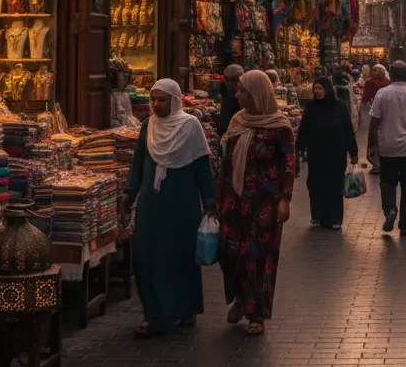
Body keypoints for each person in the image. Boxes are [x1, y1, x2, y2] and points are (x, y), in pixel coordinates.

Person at [120, 79, 215, 337]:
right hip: (151, 205)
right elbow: (138, 165)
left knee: (180, 256)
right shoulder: (148, 127)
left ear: (174, 100)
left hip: (181, 205)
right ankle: (154, 314)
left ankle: (184, 308)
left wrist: (209, 201)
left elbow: (202, 166)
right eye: (153, 100)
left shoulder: (190, 126)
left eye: (162, 100)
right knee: (145, 258)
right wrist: (130, 194)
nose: (156, 105)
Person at [218, 70, 296, 336]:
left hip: (264, 203)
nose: (237, 95)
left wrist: (285, 199)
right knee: (230, 251)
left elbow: (288, 165)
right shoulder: (237, 121)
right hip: (233, 200)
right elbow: (225, 159)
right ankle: (240, 295)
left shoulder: (279, 126)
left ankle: (256, 313)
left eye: (242, 91)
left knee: (258, 258)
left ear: (256, 93)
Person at [367, 61, 406, 235]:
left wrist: (370, 146)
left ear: (390, 74)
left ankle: (390, 210)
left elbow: (373, 123)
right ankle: (405, 223)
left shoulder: (382, 94)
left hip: (388, 148)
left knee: (387, 182)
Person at [295, 76, 359, 230]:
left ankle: (335, 218)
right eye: (315, 88)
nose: (317, 91)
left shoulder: (340, 106)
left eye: (320, 88)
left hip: (336, 153)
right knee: (316, 184)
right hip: (316, 153)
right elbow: (304, 129)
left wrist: (353, 151)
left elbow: (348, 129)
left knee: (334, 186)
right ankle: (318, 215)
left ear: (327, 89)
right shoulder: (311, 107)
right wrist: (299, 149)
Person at [361, 64, 390, 173]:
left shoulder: (369, 82)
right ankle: (385, 161)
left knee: (374, 137)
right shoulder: (387, 82)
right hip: (386, 113)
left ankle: (376, 163)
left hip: (373, 112)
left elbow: (365, 98)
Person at [214, 64, 244, 135]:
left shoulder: (237, 97)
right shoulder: (225, 90)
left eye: (234, 79)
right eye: (226, 79)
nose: (228, 83)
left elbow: (224, 125)